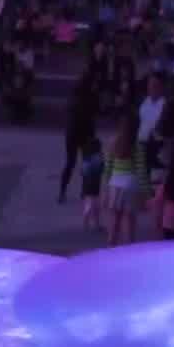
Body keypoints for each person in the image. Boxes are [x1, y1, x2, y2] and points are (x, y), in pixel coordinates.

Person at [103, 113, 150, 245]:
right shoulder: (138, 145)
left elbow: (107, 168)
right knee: (130, 224)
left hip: (115, 185)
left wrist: (105, 189)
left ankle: (110, 249)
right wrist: (147, 193)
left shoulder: (114, 142)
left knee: (114, 222)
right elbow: (141, 171)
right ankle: (128, 252)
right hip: (131, 185)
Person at [58, 75, 98, 203]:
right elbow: (96, 113)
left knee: (70, 163)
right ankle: (84, 192)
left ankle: (62, 191)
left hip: (72, 134)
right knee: (87, 164)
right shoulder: (91, 97)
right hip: (85, 134)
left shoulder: (73, 97)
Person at [137, 74, 166, 177]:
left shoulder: (164, 104)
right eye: (149, 85)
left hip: (156, 142)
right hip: (141, 140)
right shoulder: (145, 101)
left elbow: (159, 126)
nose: (151, 88)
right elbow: (140, 121)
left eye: (154, 85)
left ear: (161, 87)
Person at [80, 136, 105, 231]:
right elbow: (101, 169)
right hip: (94, 185)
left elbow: (82, 172)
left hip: (86, 184)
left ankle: (89, 221)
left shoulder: (86, 158)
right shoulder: (98, 157)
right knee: (94, 205)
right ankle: (93, 222)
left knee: (90, 203)